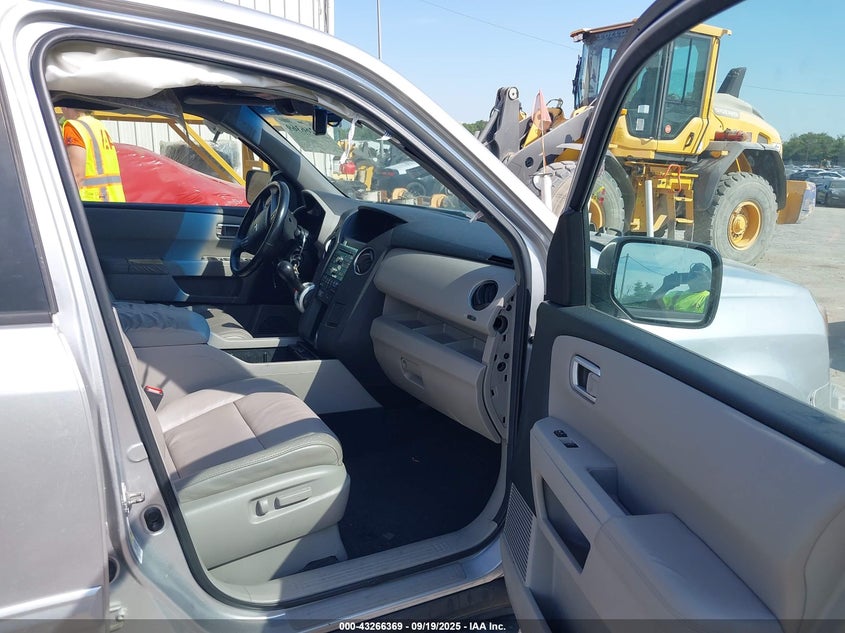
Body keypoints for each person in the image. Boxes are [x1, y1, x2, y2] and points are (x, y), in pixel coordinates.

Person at [60, 107, 126, 202]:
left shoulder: (73, 127)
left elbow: (76, 176)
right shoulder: (98, 125)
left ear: (66, 106)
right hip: (114, 202)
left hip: (91, 202)